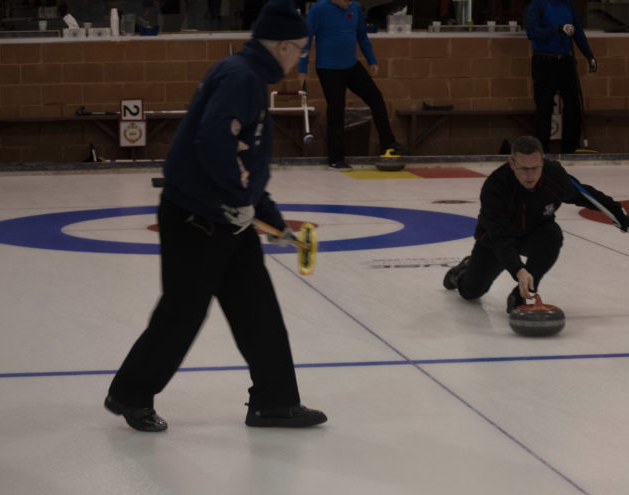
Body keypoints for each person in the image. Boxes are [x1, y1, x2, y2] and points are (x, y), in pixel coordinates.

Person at [104, 0, 327, 432]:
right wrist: (239, 199)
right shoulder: (241, 78)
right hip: (197, 218)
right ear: (283, 46)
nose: (301, 58)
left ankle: (274, 401)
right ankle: (130, 393)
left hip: (227, 216)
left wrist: (275, 222)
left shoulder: (248, 76)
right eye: (301, 50)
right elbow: (213, 143)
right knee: (183, 312)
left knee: (257, 309)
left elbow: (246, 163)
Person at [442, 135, 629, 311]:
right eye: (524, 169)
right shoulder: (495, 187)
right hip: (495, 241)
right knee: (471, 292)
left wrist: (617, 212)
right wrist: (518, 269)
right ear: (512, 163)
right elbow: (499, 236)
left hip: (534, 233)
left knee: (552, 236)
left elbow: (583, 195)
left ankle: (519, 295)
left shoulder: (554, 175)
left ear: (542, 161)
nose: (530, 175)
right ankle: (463, 270)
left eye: (535, 168)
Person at [299, 0, 407, 170]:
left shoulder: (355, 7)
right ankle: (335, 158)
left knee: (376, 99)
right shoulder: (318, 9)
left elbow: (362, 36)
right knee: (336, 110)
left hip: (352, 65)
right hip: (328, 69)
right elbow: (305, 40)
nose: (348, 3)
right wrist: (302, 68)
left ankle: (389, 144)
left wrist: (371, 59)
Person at [524, 0, 597, 155]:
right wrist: (557, 29)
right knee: (544, 107)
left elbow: (578, 32)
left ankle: (570, 147)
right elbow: (532, 32)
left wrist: (588, 54)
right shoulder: (538, 5)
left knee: (573, 105)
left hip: (565, 60)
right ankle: (541, 150)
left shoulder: (568, 4)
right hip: (544, 61)